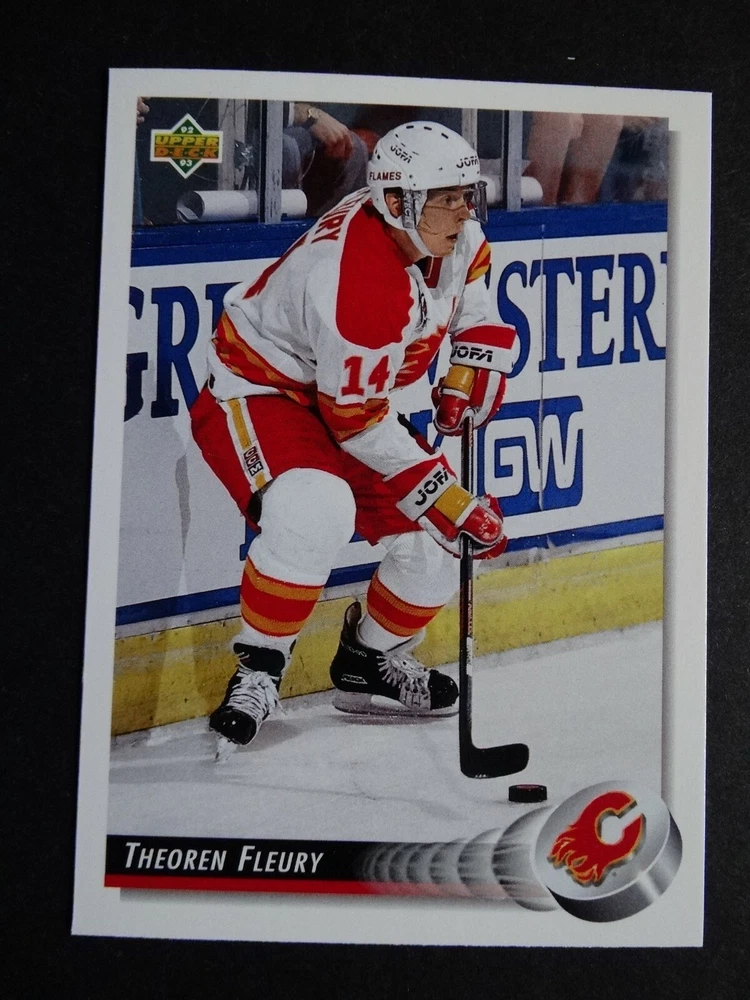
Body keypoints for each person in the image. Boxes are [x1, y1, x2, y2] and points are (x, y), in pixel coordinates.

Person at [189, 121, 519, 760]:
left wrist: (472, 363)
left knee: (437, 547)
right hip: (265, 390)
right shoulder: (356, 277)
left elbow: (473, 298)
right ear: (396, 202)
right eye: (447, 198)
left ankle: (368, 663)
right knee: (316, 508)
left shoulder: (450, 233)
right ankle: (260, 668)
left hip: (348, 399)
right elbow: (356, 422)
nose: (464, 211)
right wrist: (445, 497)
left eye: (466, 194)